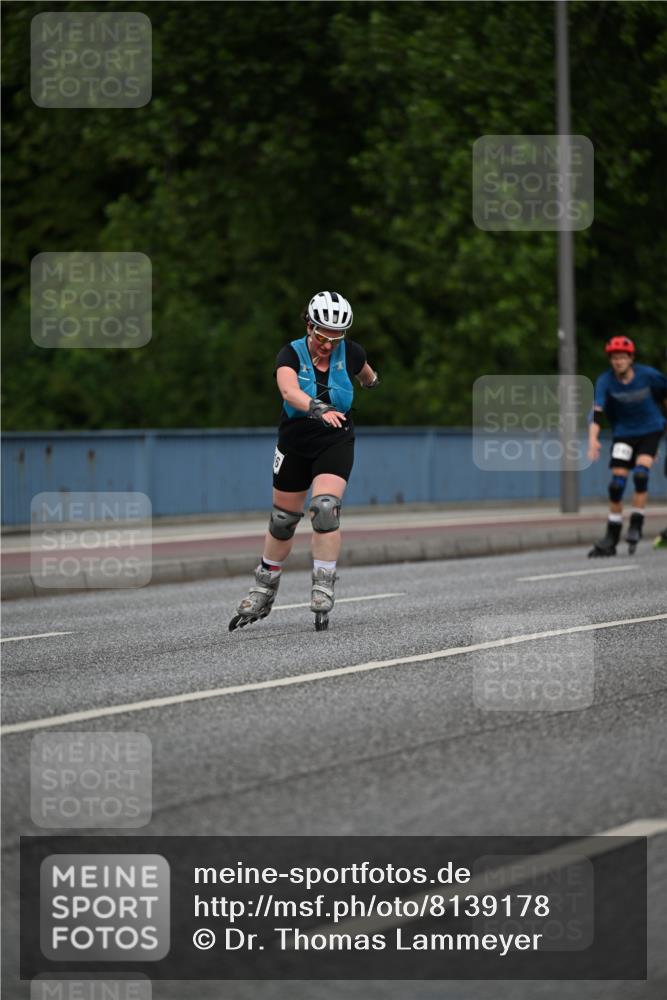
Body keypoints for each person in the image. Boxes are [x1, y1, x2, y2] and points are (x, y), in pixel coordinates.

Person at [230, 291, 379, 631]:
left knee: (325, 508)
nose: (329, 345)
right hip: (296, 439)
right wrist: (316, 407)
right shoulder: (291, 353)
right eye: (323, 336)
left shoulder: (350, 352)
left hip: (336, 438)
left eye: (337, 337)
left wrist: (370, 381)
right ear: (310, 326)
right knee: (283, 520)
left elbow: (367, 373)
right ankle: (264, 588)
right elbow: (287, 391)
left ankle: (323, 584)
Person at [587, 336, 667, 557]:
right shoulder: (605, 380)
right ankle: (611, 536)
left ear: (631, 358)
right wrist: (593, 439)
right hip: (624, 433)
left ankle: (636, 523)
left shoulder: (649, 375)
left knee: (641, 475)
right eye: (614, 358)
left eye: (622, 357)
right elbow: (596, 412)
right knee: (616, 484)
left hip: (651, 429)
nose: (618, 362)